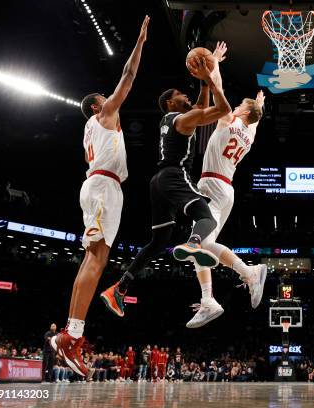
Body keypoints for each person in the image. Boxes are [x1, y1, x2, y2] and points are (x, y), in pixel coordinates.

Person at [49, 16, 150, 377]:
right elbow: (128, 77)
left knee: (94, 258)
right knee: (97, 260)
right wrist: (139, 43)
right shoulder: (104, 115)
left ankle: (71, 333)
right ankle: (71, 335)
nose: (110, 100)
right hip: (104, 188)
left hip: (98, 187)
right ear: (96, 106)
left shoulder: (92, 130)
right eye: (104, 99)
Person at [100, 45, 232, 316]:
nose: (185, 95)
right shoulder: (183, 120)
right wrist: (208, 77)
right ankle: (193, 242)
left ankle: (119, 288)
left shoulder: (173, 119)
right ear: (171, 102)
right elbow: (223, 109)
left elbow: (202, 108)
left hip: (157, 182)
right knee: (206, 217)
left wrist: (205, 80)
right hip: (174, 175)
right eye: (180, 94)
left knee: (159, 241)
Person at [183, 85, 268, 328]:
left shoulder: (229, 120)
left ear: (241, 112)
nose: (237, 106)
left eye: (241, 105)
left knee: (199, 244)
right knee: (202, 245)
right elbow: (254, 121)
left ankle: (247, 273)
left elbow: (220, 92)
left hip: (212, 185)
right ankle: (209, 298)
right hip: (225, 188)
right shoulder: (249, 135)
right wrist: (259, 106)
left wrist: (214, 67)